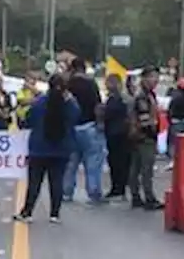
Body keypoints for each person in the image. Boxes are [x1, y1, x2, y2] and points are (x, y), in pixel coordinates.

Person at [14, 74, 80, 224]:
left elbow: (27, 121)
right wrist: (69, 98)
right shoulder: (69, 104)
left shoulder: (39, 103)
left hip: (39, 148)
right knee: (56, 181)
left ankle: (27, 212)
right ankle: (54, 214)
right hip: (61, 149)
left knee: (34, 182)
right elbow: (76, 117)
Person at [63, 58, 105, 205]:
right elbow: (98, 106)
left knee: (70, 163)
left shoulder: (67, 85)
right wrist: (100, 123)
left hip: (71, 128)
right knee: (93, 162)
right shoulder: (91, 84)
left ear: (72, 69)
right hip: (89, 126)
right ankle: (93, 193)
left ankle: (66, 192)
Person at [129, 66, 164, 211]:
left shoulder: (146, 94)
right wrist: (151, 132)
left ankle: (136, 196)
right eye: (152, 77)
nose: (155, 80)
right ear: (144, 78)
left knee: (136, 168)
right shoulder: (143, 96)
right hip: (145, 137)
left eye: (156, 77)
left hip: (138, 136)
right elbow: (144, 118)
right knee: (146, 169)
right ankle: (149, 198)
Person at [102, 74, 132, 199]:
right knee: (114, 162)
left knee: (122, 163)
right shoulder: (111, 99)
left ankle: (120, 188)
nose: (108, 86)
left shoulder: (123, 99)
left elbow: (128, 116)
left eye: (111, 83)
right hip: (112, 134)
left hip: (121, 134)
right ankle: (116, 188)